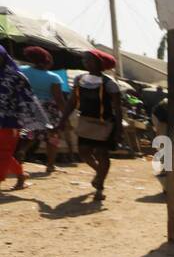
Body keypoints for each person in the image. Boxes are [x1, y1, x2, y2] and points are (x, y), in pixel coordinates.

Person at [57, 50, 122, 202]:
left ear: (99, 62)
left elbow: (117, 108)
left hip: (104, 123)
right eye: (84, 59)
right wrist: (62, 120)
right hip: (86, 121)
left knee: (101, 154)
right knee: (84, 152)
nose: (85, 62)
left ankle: (99, 187)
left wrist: (119, 130)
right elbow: (72, 102)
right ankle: (99, 173)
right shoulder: (80, 79)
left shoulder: (110, 83)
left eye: (89, 59)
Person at [0, 47, 50, 189]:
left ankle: (18, 176)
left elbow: (29, 100)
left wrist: (39, 121)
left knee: (3, 153)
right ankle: (21, 175)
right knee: (3, 154)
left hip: (9, 121)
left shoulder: (17, 77)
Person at [16, 46, 65, 175]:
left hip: (28, 106)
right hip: (49, 109)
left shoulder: (21, 70)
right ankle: (50, 165)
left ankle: (21, 153)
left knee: (30, 134)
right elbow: (59, 99)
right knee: (52, 137)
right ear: (47, 61)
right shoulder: (54, 77)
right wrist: (65, 116)